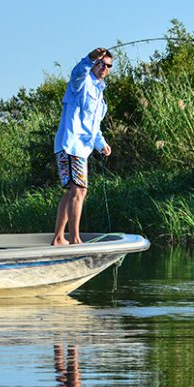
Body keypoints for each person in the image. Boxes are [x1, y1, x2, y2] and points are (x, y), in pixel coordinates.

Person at [52, 47, 113, 246]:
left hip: (81, 148)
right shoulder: (82, 82)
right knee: (79, 191)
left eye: (108, 66)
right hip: (70, 144)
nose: (104, 67)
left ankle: (59, 238)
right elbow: (77, 73)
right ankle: (74, 239)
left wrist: (101, 144)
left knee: (72, 191)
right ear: (95, 64)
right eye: (101, 63)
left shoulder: (100, 95)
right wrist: (90, 58)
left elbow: (94, 127)